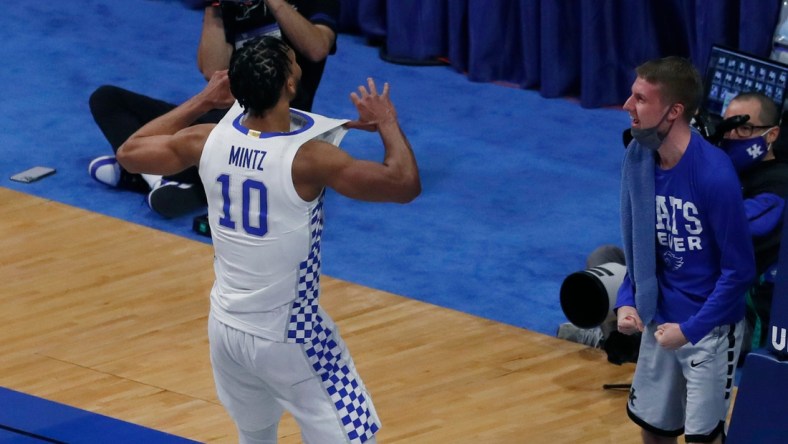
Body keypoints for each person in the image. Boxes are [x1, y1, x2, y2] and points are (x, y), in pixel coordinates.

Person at [116, 36, 420, 443]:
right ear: (290, 85)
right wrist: (386, 122)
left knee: (255, 437)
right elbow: (403, 185)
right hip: (290, 333)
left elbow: (130, 151)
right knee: (355, 435)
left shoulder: (206, 139)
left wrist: (203, 100)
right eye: (293, 63)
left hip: (225, 327)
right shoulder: (309, 160)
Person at [89, 0, 340, 218]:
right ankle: (159, 179)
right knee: (106, 99)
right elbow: (212, 70)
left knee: (201, 140)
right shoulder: (232, 6)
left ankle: (156, 174)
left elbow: (317, 48)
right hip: (225, 114)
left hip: (274, 125)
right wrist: (214, 7)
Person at [615, 57, 755, 444]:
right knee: (654, 430)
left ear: (674, 111)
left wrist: (690, 330)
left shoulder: (714, 175)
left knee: (703, 439)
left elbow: (739, 272)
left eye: (641, 99)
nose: (628, 106)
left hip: (708, 330)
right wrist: (628, 300)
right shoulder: (638, 160)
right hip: (659, 320)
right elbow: (639, 247)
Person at [719, 92, 786, 354]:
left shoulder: (779, 186)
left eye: (744, 128)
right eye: (727, 126)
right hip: (697, 286)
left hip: (740, 313)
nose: (732, 136)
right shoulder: (723, 168)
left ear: (771, 135)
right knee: (606, 258)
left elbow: (724, 237)